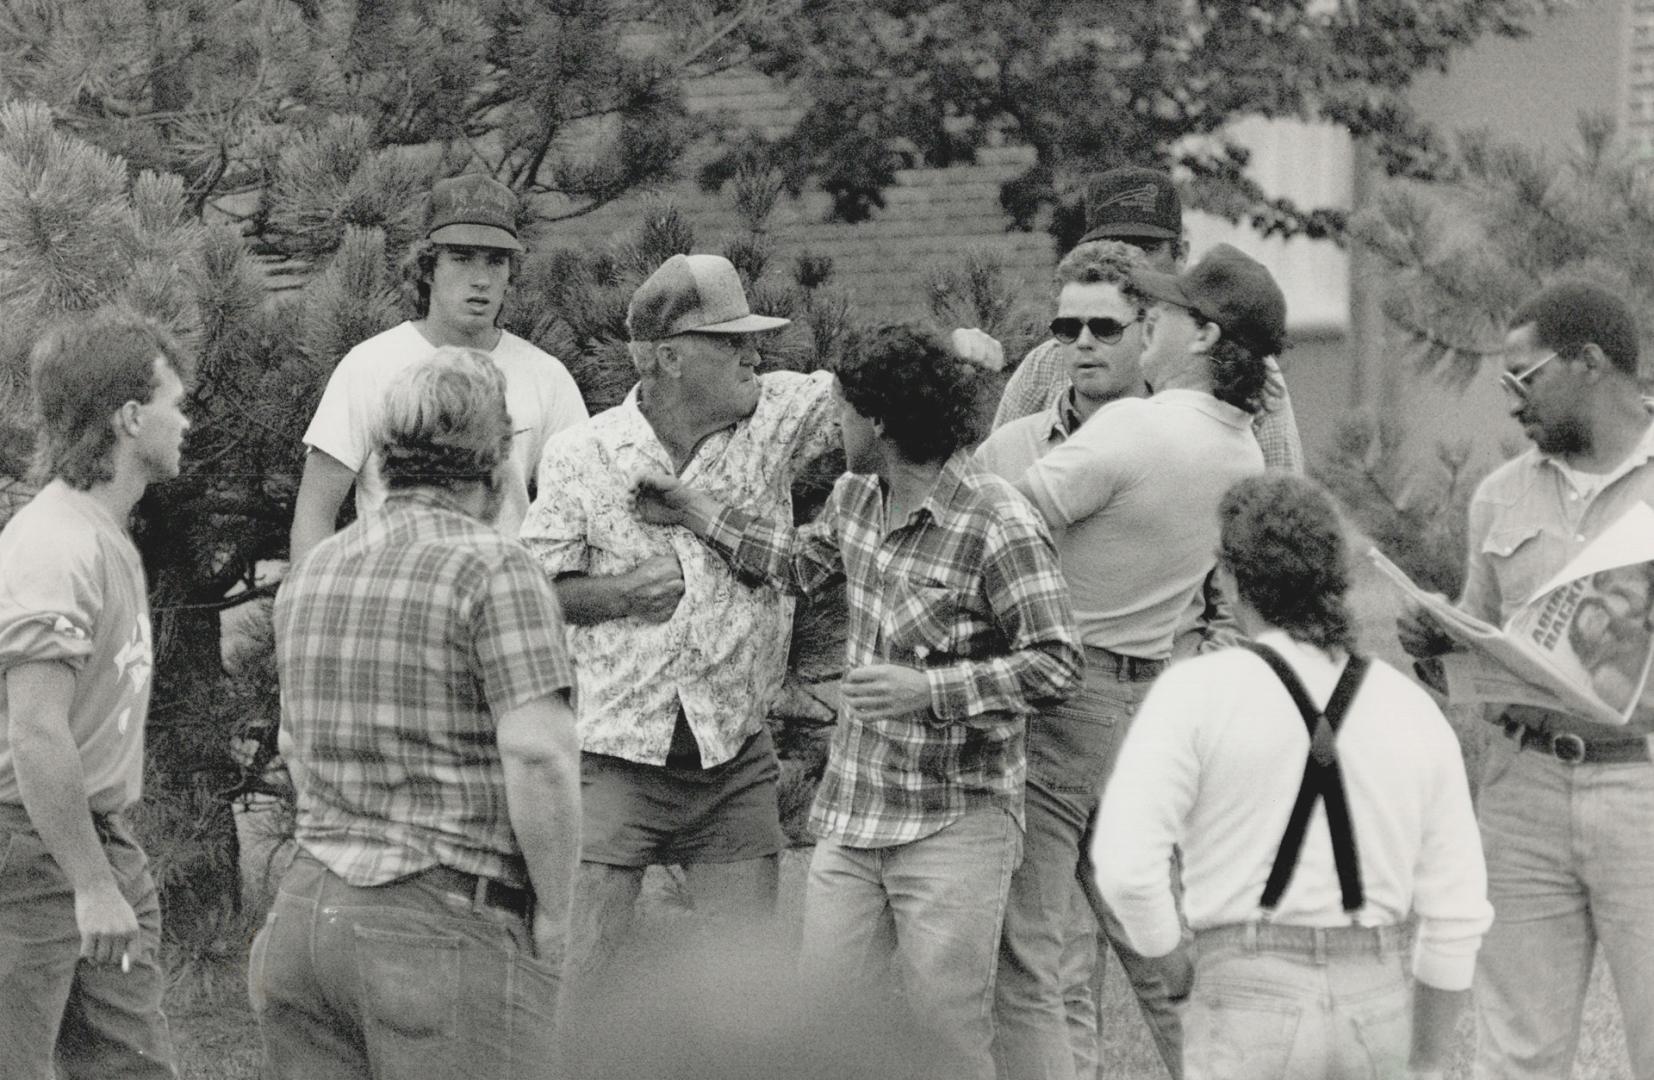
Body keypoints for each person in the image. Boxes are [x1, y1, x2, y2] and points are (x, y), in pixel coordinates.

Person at [634, 322, 1082, 1080]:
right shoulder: (854, 498)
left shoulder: (996, 521)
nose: (833, 425)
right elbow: (794, 564)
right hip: (853, 813)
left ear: (877, 422)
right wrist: (693, 511)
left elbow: (1057, 663)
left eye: (842, 410)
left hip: (957, 818)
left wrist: (931, 690)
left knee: (945, 1037)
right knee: (827, 1033)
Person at [979, 241, 1278, 1080]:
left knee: (1031, 958)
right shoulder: (1242, 448)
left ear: (1207, 337)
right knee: (1156, 938)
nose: (1153, 321)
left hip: (1062, 703)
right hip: (1141, 706)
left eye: (1166, 312)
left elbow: (989, 519)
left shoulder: (1138, 428)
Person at [1095, 474, 1493, 1080]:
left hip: (1245, 987)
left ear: (1227, 579)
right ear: (1337, 577)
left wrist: (1174, 968)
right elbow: (1458, 907)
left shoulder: (1195, 693)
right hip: (1376, 993)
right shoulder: (1410, 707)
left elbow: (1126, 868)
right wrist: (1432, 1060)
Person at [255, 347, 581, 1079]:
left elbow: (291, 742)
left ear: (383, 459)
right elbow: (539, 754)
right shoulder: (497, 567)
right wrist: (559, 913)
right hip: (436, 932)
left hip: (304, 923)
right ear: (495, 464)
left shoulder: (314, 575)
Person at [519, 254, 840, 980]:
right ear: (668, 357)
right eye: (731, 341)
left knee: (748, 993)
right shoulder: (584, 453)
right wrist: (622, 593)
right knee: (578, 980)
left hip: (734, 756)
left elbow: (878, 396)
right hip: (613, 759)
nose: (753, 354)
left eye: (754, 339)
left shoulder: (776, 416)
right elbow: (528, 591)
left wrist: (961, 353)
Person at [1398, 280, 1654, 1080]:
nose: (1511, 401)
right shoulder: (1498, 496)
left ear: (1588, 363)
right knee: (1518, 1052)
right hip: (1522, 790)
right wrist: (1434, 643)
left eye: (1524, 377)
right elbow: (1484, 643)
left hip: (1641, 787)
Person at [0, 309, 191, 1080]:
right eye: (176, 402)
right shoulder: (56, 546)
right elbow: (36, 733)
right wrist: (88, 884)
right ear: (128, 416)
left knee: (130, 1065)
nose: (188, 421)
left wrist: (105, 874)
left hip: (94, 838)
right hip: (31, 848)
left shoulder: (104, 534)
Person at [290, 172, 587, 563]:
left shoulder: (546, 376)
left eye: (496, 261)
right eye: (461, 258)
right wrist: (314, 608)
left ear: (510, 273)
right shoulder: (369, 365)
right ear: (428, 268)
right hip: (393, 597)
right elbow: (315, 511)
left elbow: (583, 507)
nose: (480, 279)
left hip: (502, 598)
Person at [992, 165, 1303, 475]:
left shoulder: (1234, 359)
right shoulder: (1046, 365)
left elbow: (1281, 496)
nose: (1129, 263)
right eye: (1111, 248)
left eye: (1146, 248)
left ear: (1180, 254)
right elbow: (991, 489)